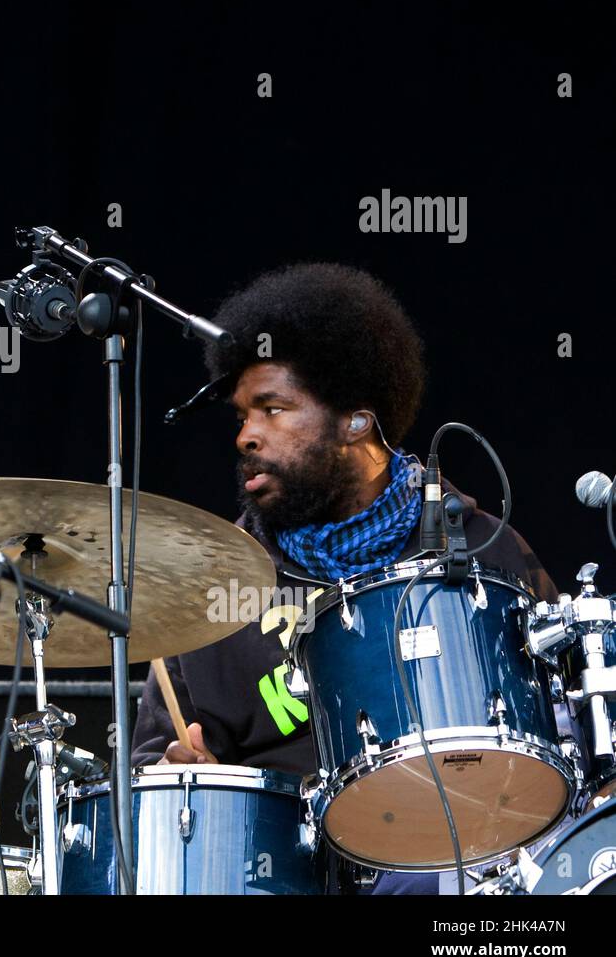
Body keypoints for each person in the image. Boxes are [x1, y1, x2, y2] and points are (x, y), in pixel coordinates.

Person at [130, 262, 558, 894]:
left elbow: (575, 720)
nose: (247, 435)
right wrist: (179, 776)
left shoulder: (482, 551)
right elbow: (153, 766)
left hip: (467, 859)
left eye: (273, 410)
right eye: (243, 417)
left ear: (356, 422)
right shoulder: (218, 587)